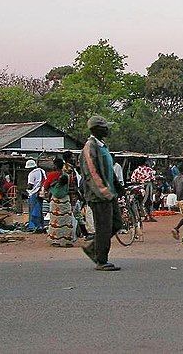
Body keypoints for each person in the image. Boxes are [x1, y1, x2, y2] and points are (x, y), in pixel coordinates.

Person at [78, 115, 121, 271]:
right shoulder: (90, 148)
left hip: (109, 193)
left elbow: (108, 169)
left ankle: (92, 247)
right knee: (104, 227)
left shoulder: (102, 146)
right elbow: (92, 174)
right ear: (97, 129)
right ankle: (101, 260)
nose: (108, 130)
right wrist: (105, 193)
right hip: (99, 196)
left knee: (116, 224)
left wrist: (117, 186)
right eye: (105, 127)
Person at [44, 157, 73, 248]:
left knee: (55, 221)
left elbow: (45, 186)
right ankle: (67, 241)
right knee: (66, 221)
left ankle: (56, 240)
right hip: (65, 200)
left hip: (56, 201)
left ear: (55, 165)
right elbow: (72, 186)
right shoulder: (68, 176)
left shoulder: (52, 175)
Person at [25, 159, 46, 232]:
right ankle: (41, 226)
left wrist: (27, 188)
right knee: (39, 210)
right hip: (40, 193)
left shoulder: (32, 173)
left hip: (34, 193)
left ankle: (33, 226)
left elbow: (30, 185)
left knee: (33, 210)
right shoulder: (42, 171)